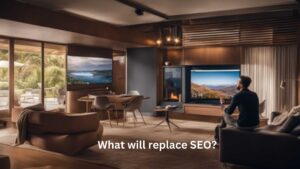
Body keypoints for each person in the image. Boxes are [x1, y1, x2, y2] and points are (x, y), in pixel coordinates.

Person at [214, 76, 259, 143]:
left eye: (237, 82)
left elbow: (229, 112)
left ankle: (219, 141)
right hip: (255, 124)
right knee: (232, 116)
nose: (236, 84)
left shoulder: (238, 95)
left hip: (243, 125)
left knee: (224, 114)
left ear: (241, 84)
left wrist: (223, 105)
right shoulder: (254, 94)